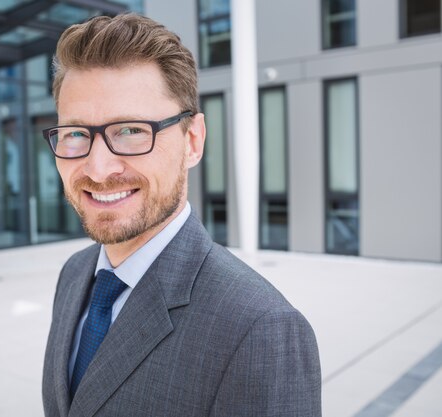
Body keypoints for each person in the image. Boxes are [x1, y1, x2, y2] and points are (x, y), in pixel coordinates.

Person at [41, 13, 321, 417]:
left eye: (131, 131)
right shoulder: (73, 274)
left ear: (192, 141)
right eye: (76, 134)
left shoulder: (259, 328)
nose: (98, 169)